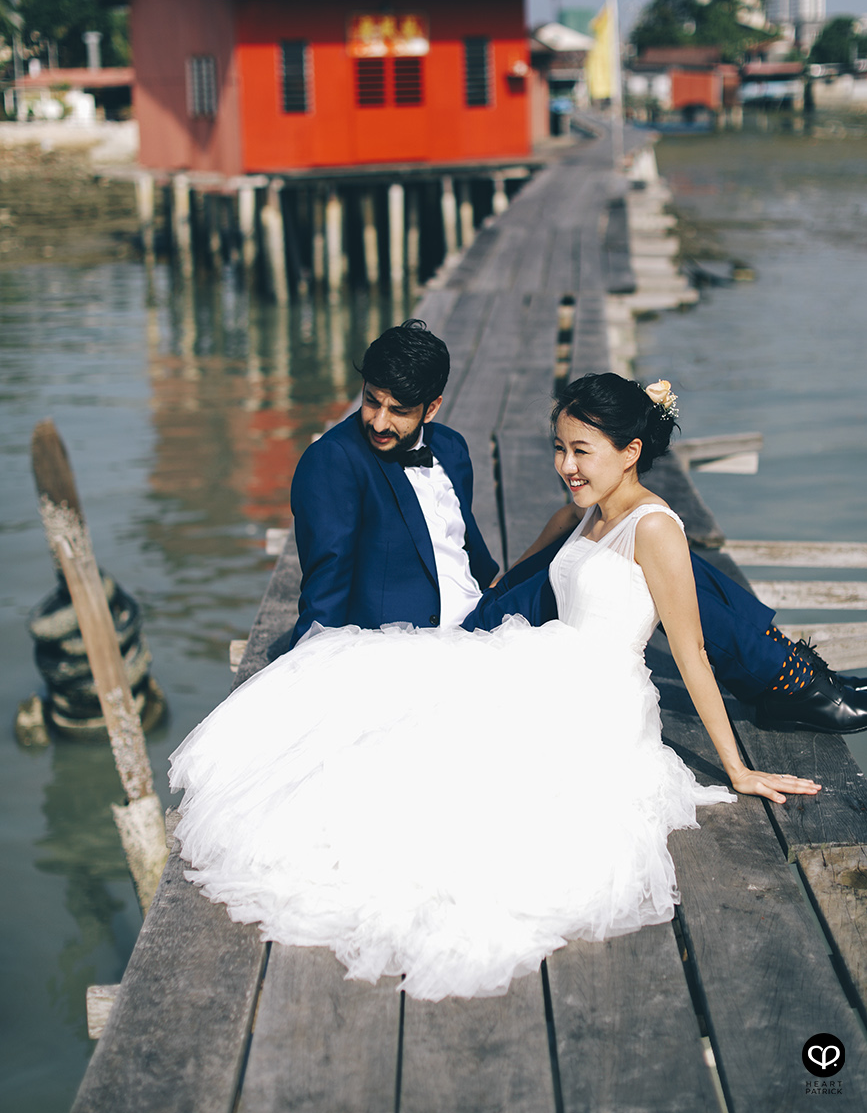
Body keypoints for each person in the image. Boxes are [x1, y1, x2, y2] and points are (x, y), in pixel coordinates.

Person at [170, 371, 820, 1002]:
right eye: (559, 449)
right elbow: (549, 548)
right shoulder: (591, 509)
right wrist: (501, 581)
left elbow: (692, 651)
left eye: (581, 452)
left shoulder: (653, 529)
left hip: (596, 703)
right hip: (540, 662)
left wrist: (735, 768)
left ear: (630, 453)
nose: (567, 466)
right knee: (403, 737)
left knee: (479, 801)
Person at [270, 320, 867, 735]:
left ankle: (791, 673)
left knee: (645, 536)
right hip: (434, 645)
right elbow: (323, 591)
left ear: (433, 407)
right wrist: (311, 677)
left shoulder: (449, 447)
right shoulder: (331, 463)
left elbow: (461, 545)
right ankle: (791, 681)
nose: (377, 419)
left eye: (399, 408)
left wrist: (509, 574)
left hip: (485, 605)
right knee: (657, 549)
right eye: (372, 400)